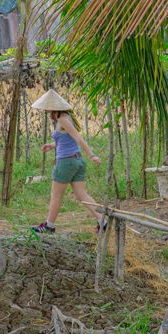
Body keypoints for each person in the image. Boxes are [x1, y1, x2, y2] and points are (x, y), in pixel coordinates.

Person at [29, 89, 104, 233]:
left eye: (48, 109)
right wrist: (52, 145)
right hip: (77, 161)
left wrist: (92, 155)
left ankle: (49, 226)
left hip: (66, 162)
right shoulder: (66, 117)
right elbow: (67, 139)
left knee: (56, 195)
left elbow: (78, 138)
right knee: (81, 194)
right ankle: (102, 219)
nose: (48, 112)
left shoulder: (63, 119)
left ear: (55, 109)